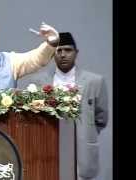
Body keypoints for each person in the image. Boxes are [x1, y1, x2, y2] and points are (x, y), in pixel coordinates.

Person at [29, 32, 108, 180]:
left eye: (68, 50)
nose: (63, 54)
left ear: (76, 53)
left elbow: (101, 118)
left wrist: (85, 131)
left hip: (81, 150)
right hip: (48, 148)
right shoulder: (38, 82)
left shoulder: (94, 82)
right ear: (52, 54)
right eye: (58, 50)